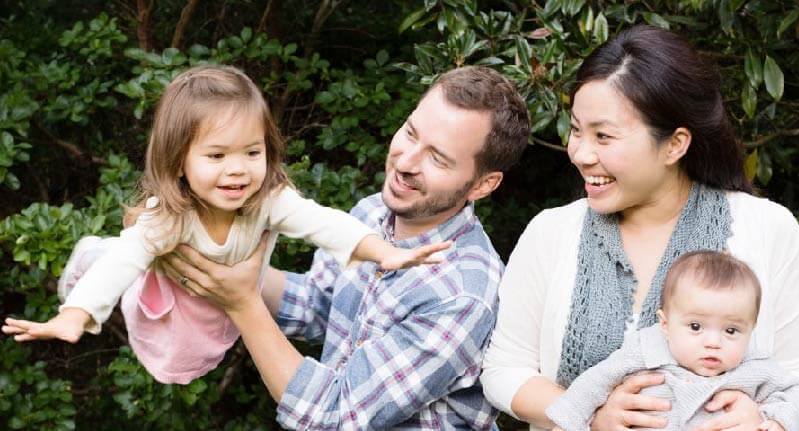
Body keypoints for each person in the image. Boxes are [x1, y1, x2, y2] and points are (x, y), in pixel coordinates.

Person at [1, 65, 451, 384]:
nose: (237, 170)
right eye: (216, 156)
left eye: (251, 153)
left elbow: (325, 224)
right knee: (131, 264)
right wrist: (75, 316)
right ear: (179, 161)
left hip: (215, 304)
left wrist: (384, 252)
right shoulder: (171, 216)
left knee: (199, 355)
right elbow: (123, 264)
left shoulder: (268, 200)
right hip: (162, 296)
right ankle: (92, 253)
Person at [160, 65, 530, 429]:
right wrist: (220, 261)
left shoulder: (463, 293)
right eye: (411, 133)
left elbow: (335, 416)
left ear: (483, 184)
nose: (405, 161)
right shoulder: (372, 213)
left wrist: (242, 302)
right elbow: (321, 306)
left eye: (437, 158)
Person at [480, 24, 799, 431]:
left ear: (674, 144)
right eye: (577, 130)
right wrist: (591, 416)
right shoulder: (551, 233)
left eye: (604, 136)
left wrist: (767, 423)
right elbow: (504, 369)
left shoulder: (769, 228)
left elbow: (795, 373)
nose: (579, 153)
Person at [546, 251, 799, 431]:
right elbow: (593, 384)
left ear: (751, 329)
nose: (713, 342)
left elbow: (795, 393)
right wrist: (565, 424)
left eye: (731, 331)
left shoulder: (754, 367)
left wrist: (777, 421)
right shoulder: (645, 350)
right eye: (696, 327)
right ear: (665, 324)